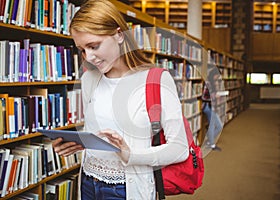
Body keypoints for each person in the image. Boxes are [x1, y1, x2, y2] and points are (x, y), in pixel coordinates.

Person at [52, 0, 189, 199]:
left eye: (93, 46)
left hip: (126, 188)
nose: (88, 57)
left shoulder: (156, 80)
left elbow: (180, 149)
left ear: (118, 35)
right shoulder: (90, 78)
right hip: (88, 181)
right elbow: (103, 129)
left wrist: (130, 155)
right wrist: (81, 141)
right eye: (82, 49)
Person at [201, 68, 223, 151]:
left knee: (219, 126)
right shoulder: (207, 83)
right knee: (212, 125)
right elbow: (204, 96)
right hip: (207, 106)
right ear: (213, 75)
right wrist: (214, 95)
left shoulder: (213, 83)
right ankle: (211, 144)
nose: (217, 77)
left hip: (212, 106)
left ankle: (209, 141)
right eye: (217, 76)